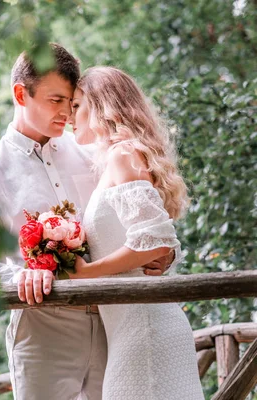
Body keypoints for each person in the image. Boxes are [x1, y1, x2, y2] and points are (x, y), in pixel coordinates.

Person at [0, 44, 174, 400]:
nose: (65, 113)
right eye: (54, 100)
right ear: (20, 94)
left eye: (70, 102)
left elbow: (142, 221)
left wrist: (164, 256)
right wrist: (23, 276)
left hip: (116, 320)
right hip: (44, 329)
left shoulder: (95, 151)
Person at [69, 66, 204, 399]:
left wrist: (85, 273)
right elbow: (158, 242)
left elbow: (155, 242)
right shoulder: (120, 157)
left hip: (146, 329)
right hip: (134, 329)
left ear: (100, 106)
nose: (69, 115)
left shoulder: (123, 154)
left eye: (75, 106)